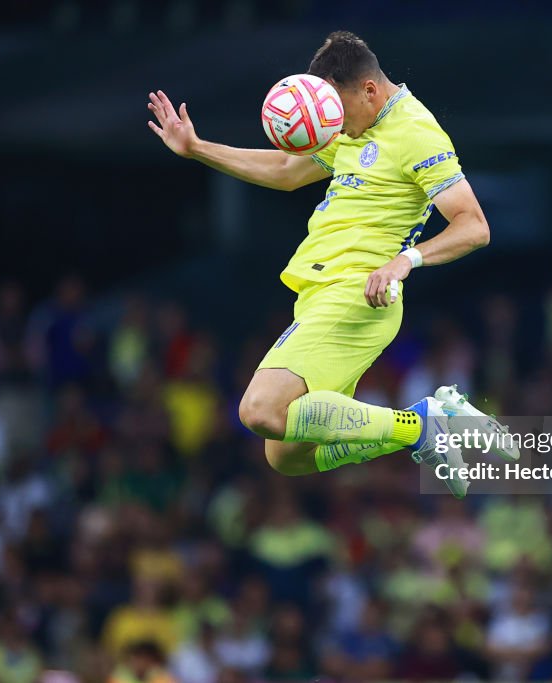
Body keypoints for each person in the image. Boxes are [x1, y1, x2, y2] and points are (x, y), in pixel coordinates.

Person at [147, 31, 515, 497]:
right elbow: (285, 171)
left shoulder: (416, 133)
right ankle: (420, 422)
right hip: (319, 295)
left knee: (258, 411)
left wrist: (407, 260)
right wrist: (198, 148)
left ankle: (423, 424)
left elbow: (474, 225)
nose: (334, 124)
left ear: (368, 90)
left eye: (338, 109)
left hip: (358, 293)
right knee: (287, 455)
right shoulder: (347, 124)